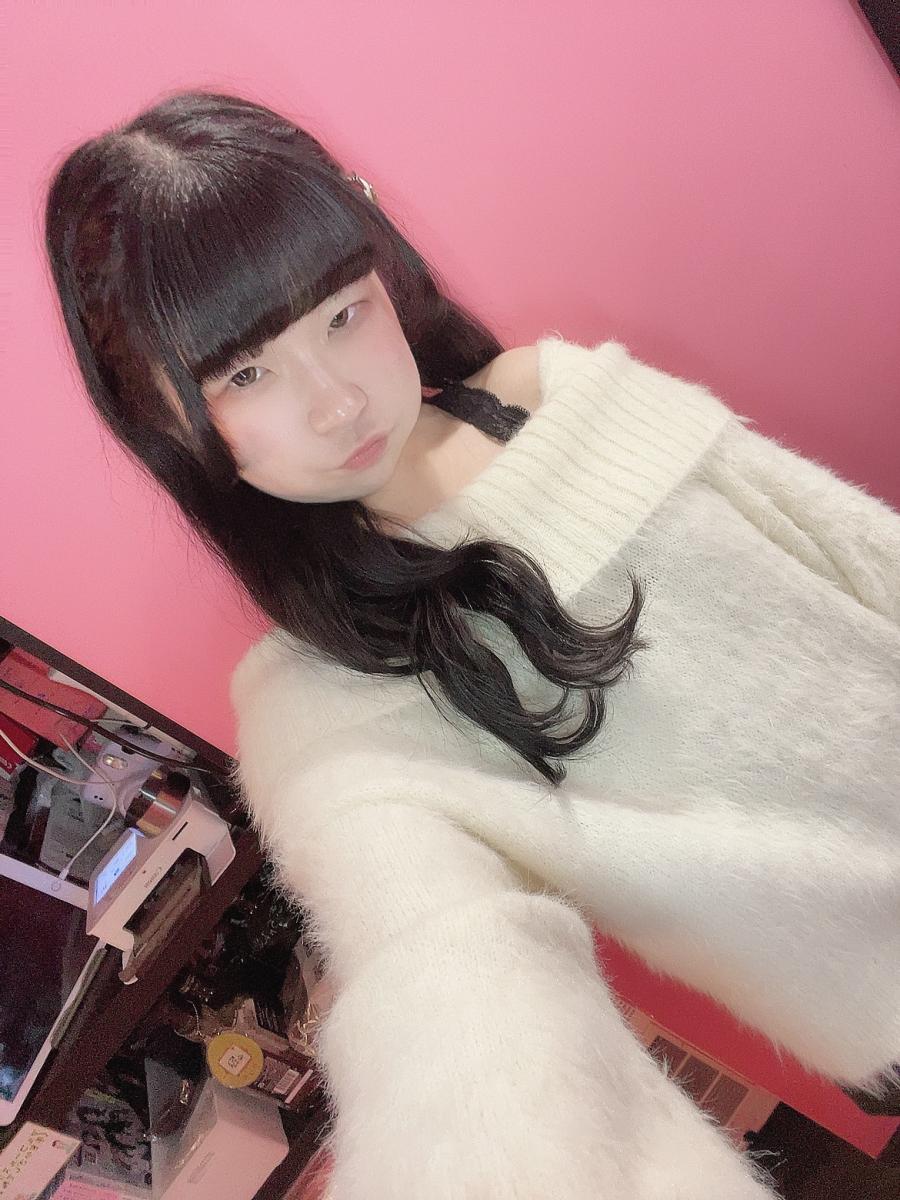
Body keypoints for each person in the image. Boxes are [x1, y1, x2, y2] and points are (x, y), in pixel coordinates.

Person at [43, 88, 899, 1199]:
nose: (337, 402)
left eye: (340, 313)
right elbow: (446, 979)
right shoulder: (318, 700)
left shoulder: (565, 392)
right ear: (161, 414)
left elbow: (858, 552)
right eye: (246, 374)